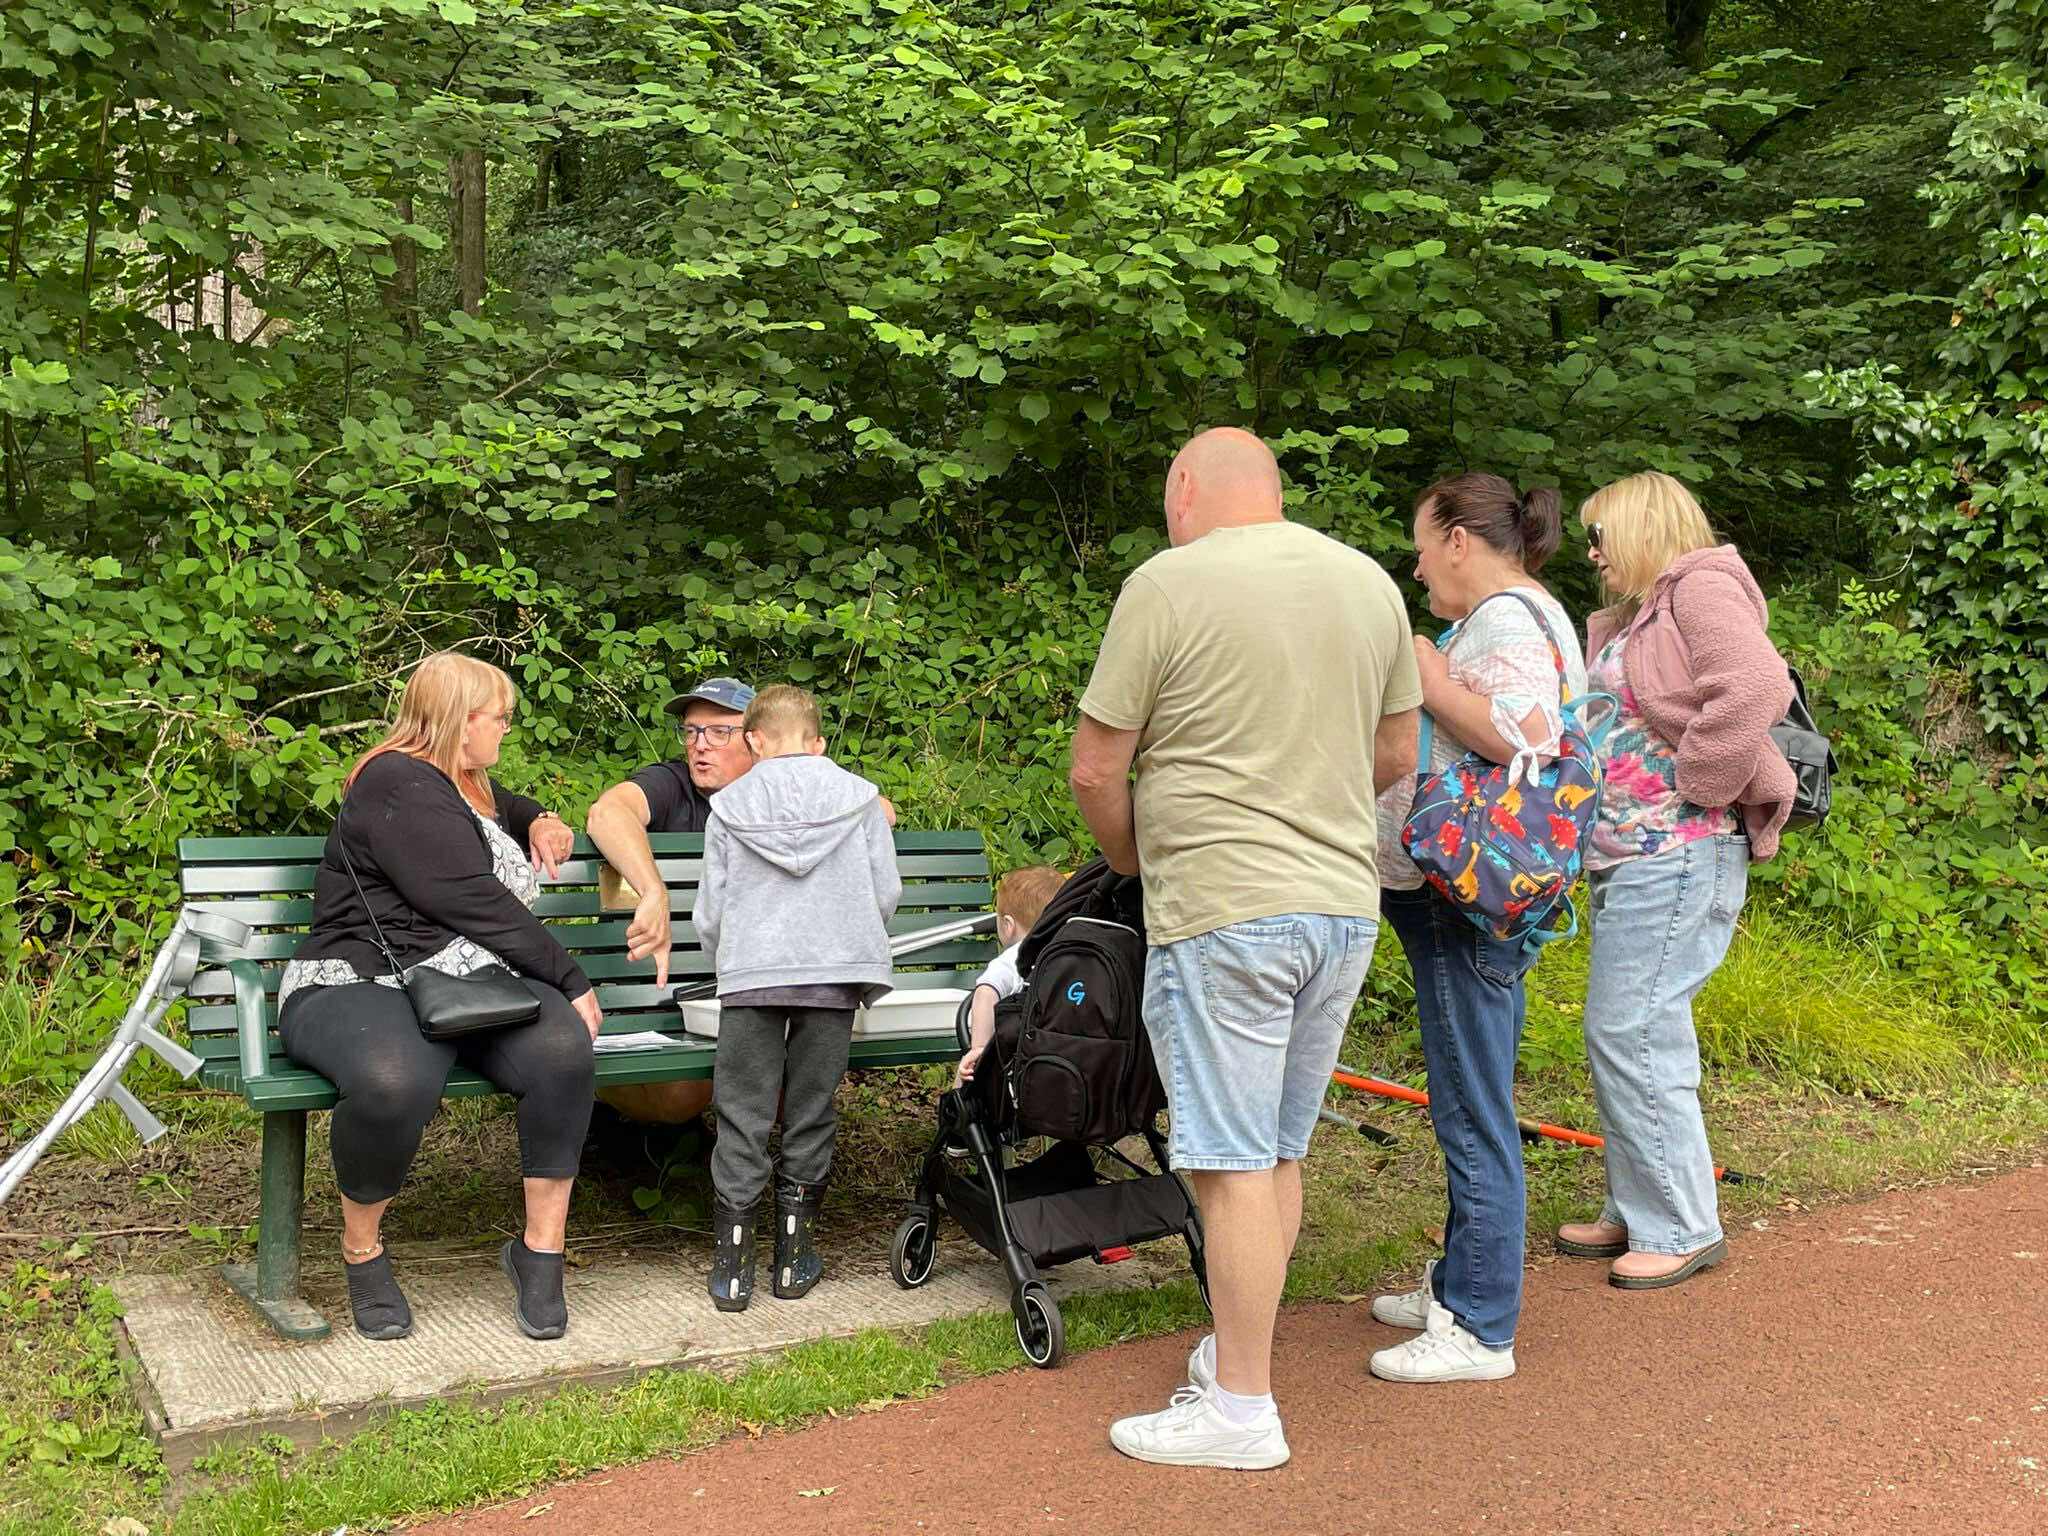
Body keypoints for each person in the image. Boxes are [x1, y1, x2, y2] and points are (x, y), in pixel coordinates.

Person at [1072, 426, 1420, 1470]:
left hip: (1224, 904)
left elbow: (1097, 769)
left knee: (1224, 1167)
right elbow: (1400, 749)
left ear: (1185, 488)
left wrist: (1132, 861)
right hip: (1338, 906)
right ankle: (1235, 1357)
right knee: (1272, 1154)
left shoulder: (1168, 583)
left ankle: (1240, 1409)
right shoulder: (1366, 583)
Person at [276, 651, 602, 1343]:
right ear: (460, 722)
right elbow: (470, 898)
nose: (506, 731)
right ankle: (361, 1251)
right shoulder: (397, 783)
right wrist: (569, 976)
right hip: (356, 977)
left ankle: (539, 1253)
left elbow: (494, 811)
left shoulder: (463, 781)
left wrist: (538, 816)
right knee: (395, 1078)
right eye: (500, 719)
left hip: (458, 977)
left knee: (561, 1052)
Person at [1365, 473, 1586, 1384]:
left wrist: (1422, 671)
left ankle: (1481, 1323)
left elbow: (1521, 734)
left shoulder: (1504, 618)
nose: (1418, 570)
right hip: (1462, 891)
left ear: (1460, 539)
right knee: (1467, 1091)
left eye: (1422, 548)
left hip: (1462, 894)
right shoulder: (1518, 617)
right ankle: (1460, 1283)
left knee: (1471, 1105)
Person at [1556, 471, 1794, 1289]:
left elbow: (1759, 684)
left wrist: (1701, 779)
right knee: (1627, 1030)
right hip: (1633, 858)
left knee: (1631, 1029)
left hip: (1681, 849)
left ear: (1642, 529)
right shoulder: (1643, 612)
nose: (1591, 553)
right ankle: (1639, 1204)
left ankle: (1683, 1224)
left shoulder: (1700, 588)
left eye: (1601, 537)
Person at [584, 676, 896, 1132]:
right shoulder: (671, 782)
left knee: (795, 1059)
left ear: (756, 740)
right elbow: (607, 813)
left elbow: (880, 808)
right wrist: (654, 889)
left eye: (718, 732)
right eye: (691, 731)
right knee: (683, 1091)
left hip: (768, 989)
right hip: (670, 997)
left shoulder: (789, 792)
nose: (699, 745)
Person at [692, 685, 902, 1311]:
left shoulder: (728, 807)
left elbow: (712, 910)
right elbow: (883, 891)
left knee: (742, 1114)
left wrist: (725, 959)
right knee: (811, 1111)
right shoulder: (861, 800)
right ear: (818, 742)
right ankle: (794, 1255)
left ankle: (732, 1269)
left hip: (753, 977)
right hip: (833, 976)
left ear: (753, 740)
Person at [955, 864, 1066, 1086]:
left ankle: (957, 1114)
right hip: (1059, 1052)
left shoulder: (1015, 958)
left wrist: (979, 1048)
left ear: (1007, 925)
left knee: (963, 1076)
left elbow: (986, 992)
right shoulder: (1066, 953)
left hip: (1017, 1058)